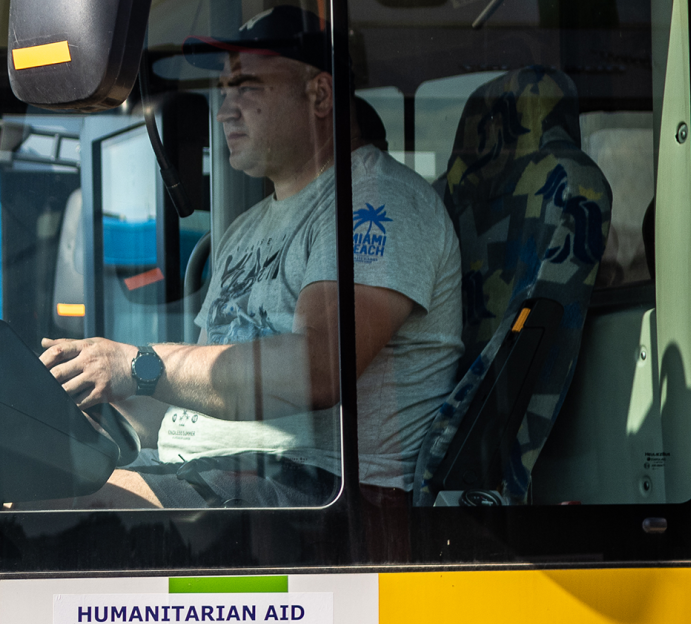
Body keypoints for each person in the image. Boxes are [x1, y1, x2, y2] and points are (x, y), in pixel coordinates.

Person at [36, 8, 463, 522]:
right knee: (31, 475)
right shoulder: (244, 230)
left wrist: (139, 365)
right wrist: (95, 389)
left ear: (320, 96)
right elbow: (185, 411)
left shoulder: (375, 202)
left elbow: (321, 367)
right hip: (221, 473)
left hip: (319, 491)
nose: (224, 111)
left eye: (245, 87)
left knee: (50, 513)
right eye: (222, 91)